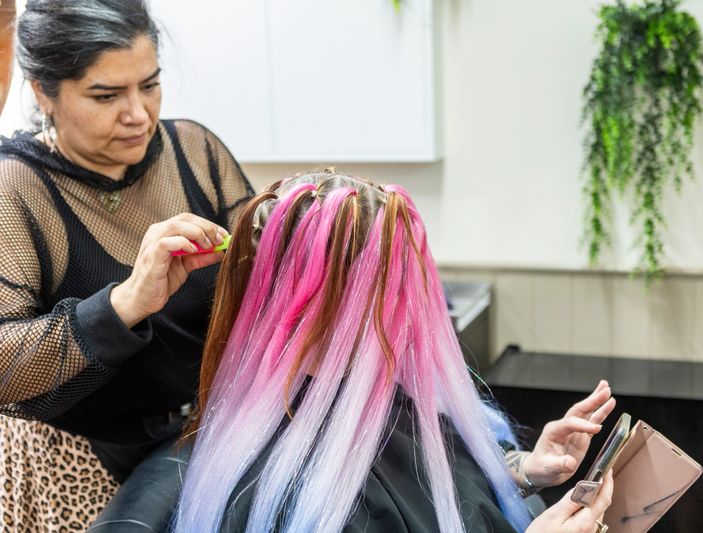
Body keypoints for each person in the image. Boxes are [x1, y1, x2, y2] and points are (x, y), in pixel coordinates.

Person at [102, 171, 613, 532]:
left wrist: (524, 470)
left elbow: (435, 488)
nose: (414, 315)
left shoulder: (398, 409)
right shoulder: (272, 485)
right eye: (396, 292)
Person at [0, 0, 253, 529]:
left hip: (203, 445)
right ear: (43, 91)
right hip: (79, 467)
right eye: (105, 95)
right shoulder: (15, 190)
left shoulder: (195, 150)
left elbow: (260, 276)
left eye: (150, 84)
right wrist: (126, 302)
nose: (138, 114)